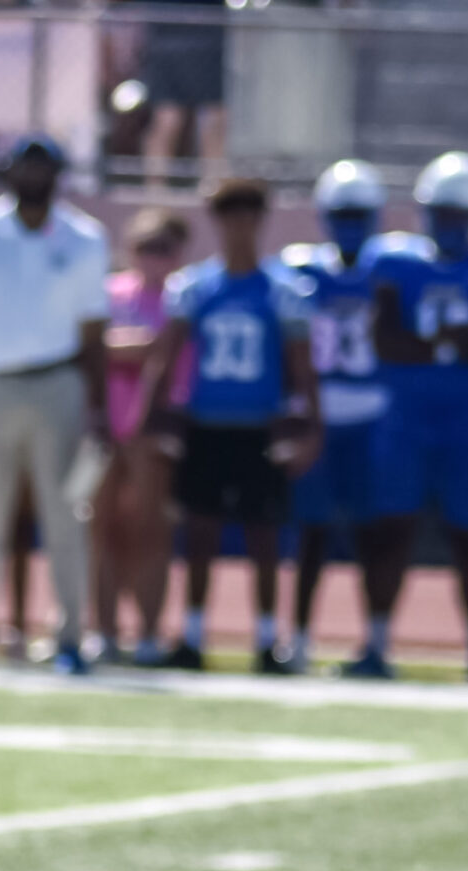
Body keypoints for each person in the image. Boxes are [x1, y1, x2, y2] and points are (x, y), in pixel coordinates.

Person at [0, 131, 110, 670]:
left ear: (58, 175)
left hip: (59, 385)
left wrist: (99, 409)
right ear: (7, 173)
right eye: (25, 168)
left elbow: (94, 331)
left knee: (65, 516)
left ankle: (71, 639)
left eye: (43, 168)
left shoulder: (85, 239)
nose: (34, 178)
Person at [138, 178, 316, 673]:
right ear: (217, 223)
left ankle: (265, 639)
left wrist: (311, 428)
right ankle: (192, 634)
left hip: (260, 425)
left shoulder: (284, 290)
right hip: (207, 423)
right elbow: (165, 360)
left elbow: (303, 368)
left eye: (248, 216)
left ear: (260, 221)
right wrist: (152, 418)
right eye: (229, 216)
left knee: (263, 534)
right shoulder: (195, 287)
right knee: (199, 532)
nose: (239, 227)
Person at [355, 151, 468, 681]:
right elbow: (388, 342)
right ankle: (375, 645)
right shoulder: (397, 262)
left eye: (459, 214)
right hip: (408, 419)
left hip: (465, 422)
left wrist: (438, 345)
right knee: (392, 530)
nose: (450, 223)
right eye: (442, 212)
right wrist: (449, 344)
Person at [282, 159, 388, 675]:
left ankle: (377, 642)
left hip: (371, 415)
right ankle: (299, 638)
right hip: (322, 415)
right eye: (342, 212)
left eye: (358, 213)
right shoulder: (300, 270)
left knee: (372, 534)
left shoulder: (393, 266)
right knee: (312, 532)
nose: (350, 222)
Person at [94, 208, 184, 664]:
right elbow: (93, 347)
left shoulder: (183, 299)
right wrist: (142, 345)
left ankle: (148, 631)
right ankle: (105, 630)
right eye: (145, 247)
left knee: (151, 531)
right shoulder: (109, 293)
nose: (154, 258)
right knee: (101, 528)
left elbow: (173, 355)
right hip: (105, 430)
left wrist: (135, 347)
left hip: (153, 434)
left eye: (163, 248)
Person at [136, 0, 228, 190]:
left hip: (208, 34)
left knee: (213, 119)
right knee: (168, 119)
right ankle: (155, 189)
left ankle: (213, 186)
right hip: (166, 37)